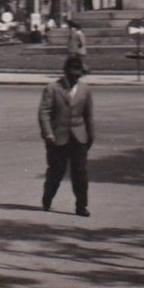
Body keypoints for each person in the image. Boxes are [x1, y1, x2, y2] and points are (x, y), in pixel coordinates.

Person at [38, 56, 95, 216]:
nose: (75, 78)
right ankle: (47, 198)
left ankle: (81, 206)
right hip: (57, 137)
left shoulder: (85, 89)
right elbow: (44, 113)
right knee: (56, 171)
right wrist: (48, 133)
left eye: (78, 75)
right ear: (65, 72)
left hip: (79, 137)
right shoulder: (53, 88)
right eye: (72, 74)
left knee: (80, 173)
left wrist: (90, 136)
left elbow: (88, 115)